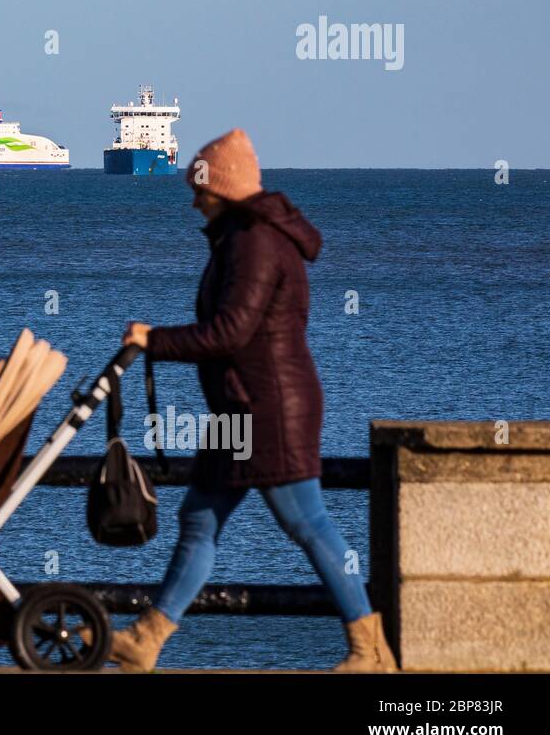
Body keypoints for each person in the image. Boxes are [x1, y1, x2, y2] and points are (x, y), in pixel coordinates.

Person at [113, 128, 396, 672]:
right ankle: (146, 640)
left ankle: (369, 648)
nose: (193, 200)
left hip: (267, 411)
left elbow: (230, 331)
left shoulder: (254, 242)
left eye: (199, 189)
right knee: (198, 518)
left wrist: (154, 340)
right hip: (237, 411)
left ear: (221, 189)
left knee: (307, 522)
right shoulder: (241, 237)